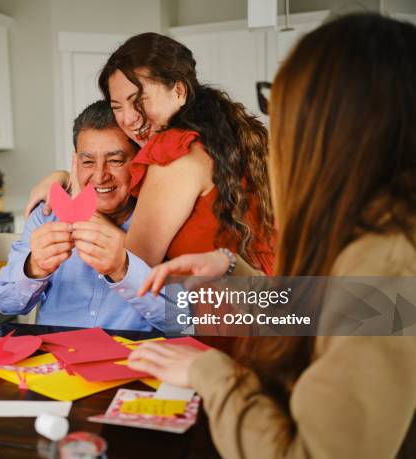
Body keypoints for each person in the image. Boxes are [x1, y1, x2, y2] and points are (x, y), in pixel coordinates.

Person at [128, 14, 416, 458]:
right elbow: (324, 315)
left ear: (333, 130)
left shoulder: (388, 265)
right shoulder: (376, 237)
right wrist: (231, 272)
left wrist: (213, 372)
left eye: (280, 105)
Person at [28, 32, 275, 282]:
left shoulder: (172, 153)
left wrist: (79, 203)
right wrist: (65, 177)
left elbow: (135, 265)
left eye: (139, 100)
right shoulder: (223, 137)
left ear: (179, 90)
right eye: (117, 106)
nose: (128, 117)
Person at [0, 101, 180, 332]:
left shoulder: (168, 221)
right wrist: (34, 268)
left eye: (115, 160)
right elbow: (6, 304)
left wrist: (123, 268)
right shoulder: (47, 215)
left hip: (131, 361)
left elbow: (184, 320)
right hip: (54, 360)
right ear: (76, 163)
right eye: (88, 162)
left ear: (139, 162)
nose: (100, 176)